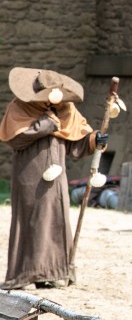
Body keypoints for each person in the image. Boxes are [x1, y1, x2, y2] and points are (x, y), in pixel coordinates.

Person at [0, 68, 107, 289]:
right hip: (29, 174)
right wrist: (44, 126)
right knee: (31, 220)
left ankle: (53, 273)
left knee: (56, 219)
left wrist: (95, 139)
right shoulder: (20, 108)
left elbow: (77, 141)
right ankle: (25, 274)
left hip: (57, 177)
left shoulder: (65, 110)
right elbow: (16, 140)